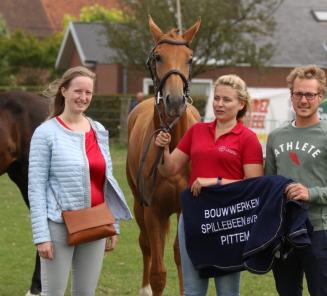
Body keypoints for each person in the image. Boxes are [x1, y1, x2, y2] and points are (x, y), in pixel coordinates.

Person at [155, 74, 263, 296]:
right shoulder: (197, 131)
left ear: (241, 104)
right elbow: (168, 170)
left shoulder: (248, 138)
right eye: (217, 98)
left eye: (227, 100)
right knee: (192, 290)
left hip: (229, 222)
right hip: (194, 217)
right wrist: (163, 149)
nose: (219, 104)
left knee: (227, 291)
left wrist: (215, 182)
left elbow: (254, 185)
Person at [28, 66, 132, 295]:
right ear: (64, 91)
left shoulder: (98, 130)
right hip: (58, 225)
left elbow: (107, 181)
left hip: (94, 222)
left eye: (88, 93)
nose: (83, 97)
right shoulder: (45, 133)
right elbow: (35, 188)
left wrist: (112, 225)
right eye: (78, 91)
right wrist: (41, 236)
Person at [265, 64, 327, 296]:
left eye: (309, 94)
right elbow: (268, 183)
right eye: (298, 94)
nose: (303, 100)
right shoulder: (275, 137)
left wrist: (310, 193)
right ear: (291, 95)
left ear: (320, 96)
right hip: (284, 231)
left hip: (319, 230)